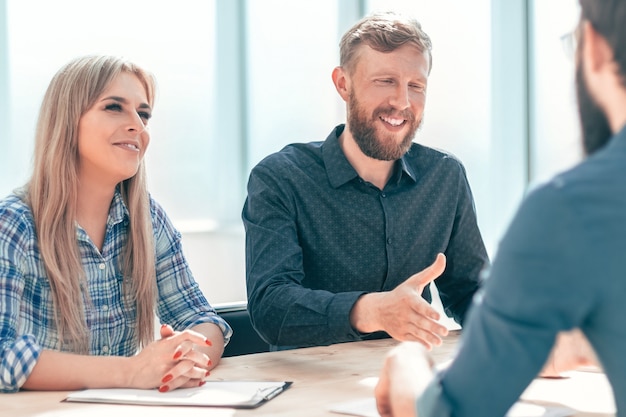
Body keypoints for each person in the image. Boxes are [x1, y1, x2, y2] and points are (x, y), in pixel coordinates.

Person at [375, 0, 626, 415]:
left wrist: (407, 365)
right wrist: (587, 343)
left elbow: (450, 410)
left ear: (595, 49)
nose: (401, 101)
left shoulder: (569, 208)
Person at [242, 11, 489, 351]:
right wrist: (372, 311)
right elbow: (271, 308)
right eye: (385, 81)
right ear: (343, 84)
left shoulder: (445, 176)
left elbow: (468, 290)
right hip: (314, 388)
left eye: (415, 86)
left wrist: (517, 329)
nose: (402, 102)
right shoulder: (281, 179)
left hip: (413, 377)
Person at [0, 55, 232, 393]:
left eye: (144, 113)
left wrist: (183, 359)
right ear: (67, 121)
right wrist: (130, 372)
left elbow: (202, 320)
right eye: (114, 107)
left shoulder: (148, 218)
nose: (137, 125)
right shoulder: (14, 224)